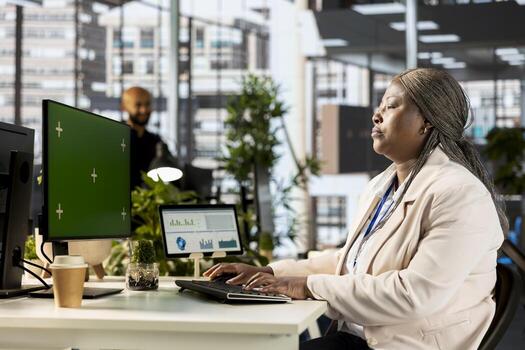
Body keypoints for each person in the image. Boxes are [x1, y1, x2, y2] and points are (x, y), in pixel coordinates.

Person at [204, 68, 507, 350]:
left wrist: (305, 286)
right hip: (357, 337)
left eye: (391, 106)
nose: (376, 115)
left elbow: (413, 294)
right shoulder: (382, 186)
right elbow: (349, 262)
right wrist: (271, 272)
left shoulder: (460, 195)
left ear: (426, 121)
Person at [121, 86, 163, 189]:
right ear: (124, 107)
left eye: (147, 104)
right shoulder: (116, 138)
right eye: (138, 105)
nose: (144, 110)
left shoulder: (156, 141)